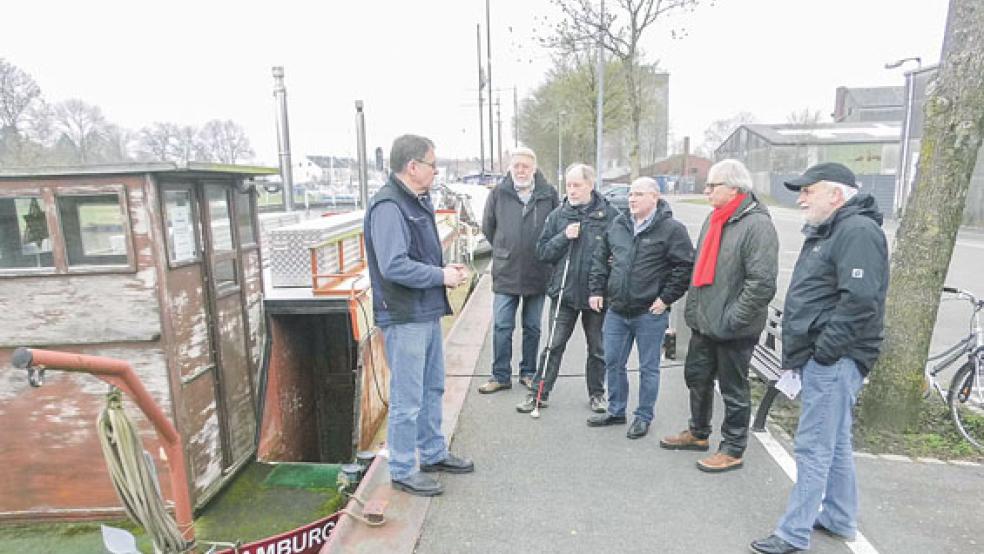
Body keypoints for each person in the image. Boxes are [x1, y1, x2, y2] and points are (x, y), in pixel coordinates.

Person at [751, 162, 889, 554]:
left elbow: (860, 300)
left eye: (808, 191)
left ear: (836, 194)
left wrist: (826, 352)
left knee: (813, 447)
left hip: (834, 359)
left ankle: (793, 534)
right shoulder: (836, 228)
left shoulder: (856, 230)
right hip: (829, 357)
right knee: (837, 442)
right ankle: (840, 517)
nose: (801, 198)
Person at [364, 134, 474, 497]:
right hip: (404, 315)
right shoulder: (389, 206)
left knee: (432, 387)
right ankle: (402, 468)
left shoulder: (416, 200)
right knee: (407, 397)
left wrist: (445, 269)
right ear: (413, 167)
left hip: (424, 311)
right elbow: (393, 265)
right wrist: (441, 276)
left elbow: (418, 256)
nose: (436, 170)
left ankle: (432, 453)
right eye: (432, 164)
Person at [660, 159, 779, 472]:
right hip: (704, 323)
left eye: (713, 185)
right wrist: (694, 313)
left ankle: (733, 447)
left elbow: (761, 283)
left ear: (735, 188)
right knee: (697, 378)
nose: (706, 190)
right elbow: (701, 269)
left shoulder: (757, 225)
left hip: (733, 328)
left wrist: (732, 320)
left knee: (733, 389)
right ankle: (698, 433)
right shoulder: (715, 219)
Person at [586, 177, 694, 439]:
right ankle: (616, 409)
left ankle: (643, 416)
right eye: (631, 194)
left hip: (650, 313)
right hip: (617, 310)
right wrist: (597, 289)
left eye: (639, 194)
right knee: (613, 361)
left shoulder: (671, 230)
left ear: (654, 198)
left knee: (648, 368)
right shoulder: (619, 224)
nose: (632, 199)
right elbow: (601, 258)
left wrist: (666, 298)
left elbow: (684, 267)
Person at [516, 163, 620, 414]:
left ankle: (597, 394)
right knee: (554, 344)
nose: (571, 191)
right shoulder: (558, 215)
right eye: (569, 185)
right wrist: (564, 236)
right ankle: (538, 393)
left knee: (597, 348)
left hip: (596, 295)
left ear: (590, 185)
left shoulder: (611, 215)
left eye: (577, 185)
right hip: (564, 292)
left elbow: (621, 252)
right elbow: (542, 252)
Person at [479, 147, 560, 394]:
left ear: (534, 168)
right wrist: (506, 248)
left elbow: (556, 226)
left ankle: (528, 372)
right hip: (506, 270)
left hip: (538, 270)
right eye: (517, 166)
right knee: (502, 326)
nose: (521, 170)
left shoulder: (548, 194)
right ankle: (500, 375)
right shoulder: (498, 194)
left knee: (533, 326)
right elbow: (488, 227)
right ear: (510, 168)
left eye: (526, 166)